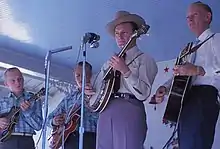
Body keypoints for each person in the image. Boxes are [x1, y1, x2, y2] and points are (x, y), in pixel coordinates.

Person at [152, 1, 220, 149]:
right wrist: (166, 87)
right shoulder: (188, 48)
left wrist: (198, 70)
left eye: (194, 15)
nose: (189, 19)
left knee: (197, 142)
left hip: (205, 96)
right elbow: (181, 75)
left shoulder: (217, 39)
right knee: (185, 143)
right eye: (187, 17)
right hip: (186, 99)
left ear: (207, 17)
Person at [92, 11, 158, 149]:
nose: (120, 37)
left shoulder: (145, 59)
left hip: (129, 108)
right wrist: (89, 90)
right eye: (117, 33)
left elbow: (144, 93)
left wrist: (125, 71)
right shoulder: (108, 63)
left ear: (135, 34)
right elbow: (97, 88)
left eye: (124, 33)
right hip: (106, 110)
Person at [47, 61, 98, 149]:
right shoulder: (69, 97)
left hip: (90, 137)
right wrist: (54, 121)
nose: (80, 79)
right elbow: (49, 119)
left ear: (90, 75)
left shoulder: (98, 93)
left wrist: (86, 99)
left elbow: (100, 120)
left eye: (84, 75)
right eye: (77, 75)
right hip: (69, 139)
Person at [0, 67, 43, 149]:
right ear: (6, 84)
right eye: (13, 80)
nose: (17, 82)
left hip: (26, 141)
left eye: (20, 79)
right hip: (5, 142)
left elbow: (38, 126)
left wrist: (28, 112)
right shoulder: (1, 101)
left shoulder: (34, 99)